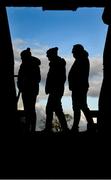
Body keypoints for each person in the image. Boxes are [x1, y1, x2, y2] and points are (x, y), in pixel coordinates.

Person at [68, 44, 95, 133]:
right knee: (77, 107)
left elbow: (79, 75)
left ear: (78, 51)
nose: (72, 53)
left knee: (82, 106)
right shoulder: (80, 59)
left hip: (80, 87)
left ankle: (90, 126)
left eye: (74, 51)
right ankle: (76, 127)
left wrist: (75, 84)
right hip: (77, 87)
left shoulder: (82, 60)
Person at [44, 47, 68, 133]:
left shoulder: (58, 64)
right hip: (55, 90)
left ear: (52, 55)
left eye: (48, 55)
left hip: (56, 90)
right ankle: (64, 129)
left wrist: (52, 87)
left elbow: (60, 78)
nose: (47, 57)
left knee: (50, 109)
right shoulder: (56, 64)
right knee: (57, 110)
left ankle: (48, 129)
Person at [17, 48, 41, 134]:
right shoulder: (23, 65)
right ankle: (28, 128)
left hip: (31, 90)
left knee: (31, 109)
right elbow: (20, 77)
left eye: (22, 57)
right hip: (25, 90)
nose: (21, 59)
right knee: (27, 109)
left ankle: (32, 128)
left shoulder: (34, 65)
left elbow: (37, 79)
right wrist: (20, 85)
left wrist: (27, 82)